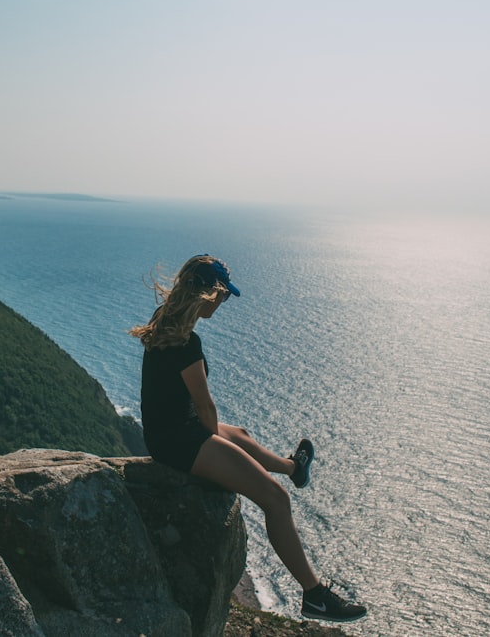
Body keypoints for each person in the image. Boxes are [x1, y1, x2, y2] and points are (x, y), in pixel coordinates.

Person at [129, 254, 367, 623]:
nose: (224, 305)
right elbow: (206, 409)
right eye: (223, 297)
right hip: (182, 440)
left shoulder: (164, 322)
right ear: (209, 294)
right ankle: (315, 595)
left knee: (240, 434)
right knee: (275, 498)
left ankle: (293, 467)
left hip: (167, 431)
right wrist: (218, 453)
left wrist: (226, 443)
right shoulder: (187, 343)